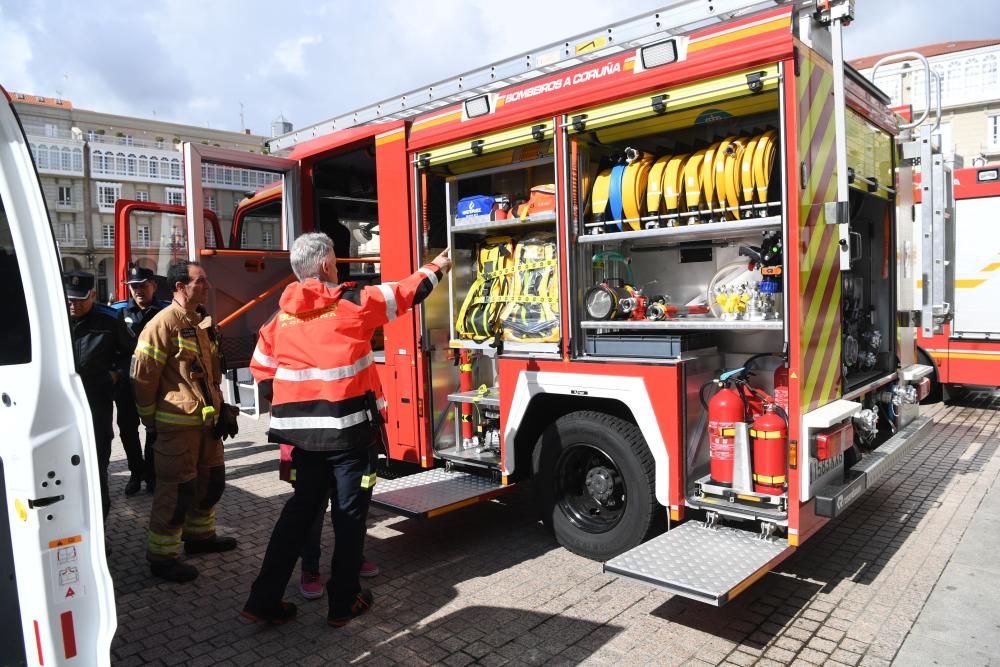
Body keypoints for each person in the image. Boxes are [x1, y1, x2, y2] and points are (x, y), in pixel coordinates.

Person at [242, 232, 450, 626]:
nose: (338, 266)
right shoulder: (353, 305)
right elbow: (406, 292)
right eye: (336, 259)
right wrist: (441, 263)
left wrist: (296, 408)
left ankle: (263, 599)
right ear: (323, 266)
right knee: (349, 515)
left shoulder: (278, 319)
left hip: (301, 440)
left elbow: (261, 369)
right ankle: (343, 602)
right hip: (348, 437)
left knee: (299, 515)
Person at [131, 260, 238, 583]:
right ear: (180, 286)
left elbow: (208, 373)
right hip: (177, 425)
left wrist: (223, 409)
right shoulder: (163, 323)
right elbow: (142, 376)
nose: (206, 286)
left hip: (207, 424)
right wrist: (150, 419)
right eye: (200, 281)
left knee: (210, 483)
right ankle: (163, 557)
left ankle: (200, 538)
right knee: (176, 492)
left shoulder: (200, 321)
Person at [63, 270, 131, 519]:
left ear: (92, 295)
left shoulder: (111, 320)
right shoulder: (53, 317)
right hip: (61, 409)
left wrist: (115, 376)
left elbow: (130, 355)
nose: (73, 304)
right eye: (70, 298)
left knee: (96, 468)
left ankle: (99, 530)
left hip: (96, 407)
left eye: (80, 299)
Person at [276, 445, 379, 600]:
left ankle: (353, 559)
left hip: (352, 447)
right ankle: (310, 569)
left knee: (352, 514)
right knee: (312, 517)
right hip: (311, 449)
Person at [115, 265, 168, 495]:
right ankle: (136, 474)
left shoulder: (165, 312)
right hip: (126, 384)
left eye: (142, 286)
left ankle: (152, 474)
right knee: (127, 430)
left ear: (154, 286)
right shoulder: (117, 313)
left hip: (155, 383)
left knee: (153, 429)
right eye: (133, 287)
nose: (137, 291)